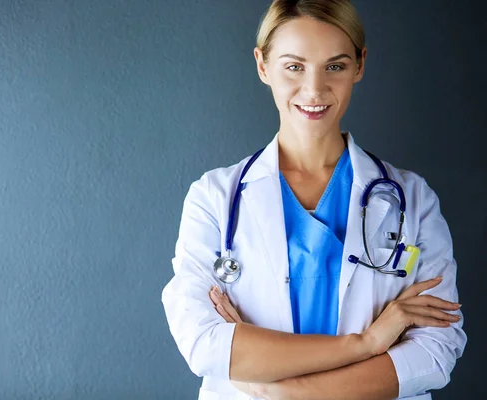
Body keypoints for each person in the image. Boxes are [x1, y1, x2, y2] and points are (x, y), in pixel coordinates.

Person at [161, 1, 467, 399]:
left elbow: (436, 350)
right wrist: (367, 343)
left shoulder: (413, 199)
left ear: (360, 65)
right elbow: (204, 343)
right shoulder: (214, 199)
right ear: (262, 65)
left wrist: (285, 391)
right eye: (294, 66)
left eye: (335, 66)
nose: (314, 89)